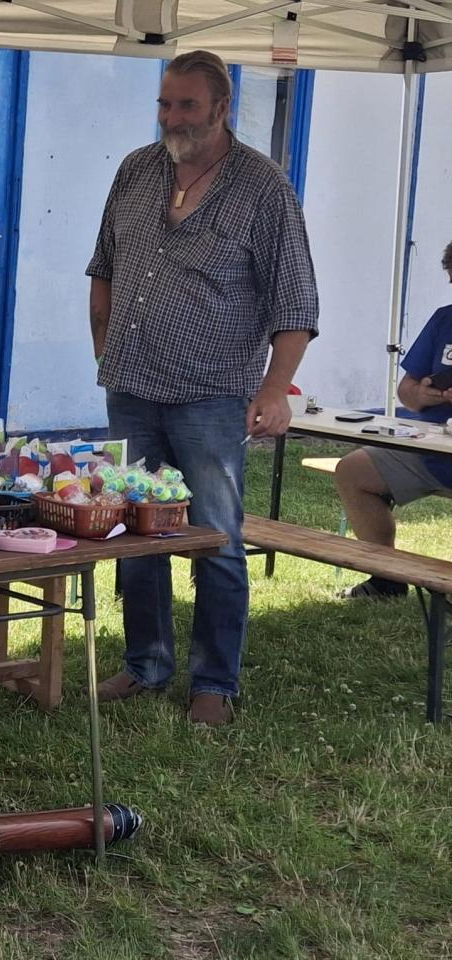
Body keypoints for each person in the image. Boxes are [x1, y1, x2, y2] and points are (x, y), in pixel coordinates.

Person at [86, 50, 319, 725]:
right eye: (165, 104)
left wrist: (274, 390)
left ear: (222, 107)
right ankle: (146, 663)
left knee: (216, 538)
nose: (172, 117)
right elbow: (103, 267)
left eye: (187, 105)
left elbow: (296, 303)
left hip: (212, 394)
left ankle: (214, 682)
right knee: (135, 531)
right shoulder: (136, 169)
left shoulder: (264, 188)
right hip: (131, 386)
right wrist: (104, 347)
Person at [335, 242, 452, 599]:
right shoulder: (444, 319)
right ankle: (386, 579)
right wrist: (424, 395)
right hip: (428, 450)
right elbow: (406, 390)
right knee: (352, 472)